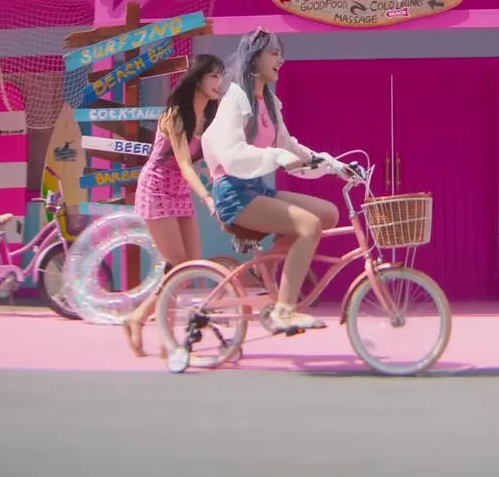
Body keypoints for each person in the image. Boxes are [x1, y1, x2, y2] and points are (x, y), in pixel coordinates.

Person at [202, 27, 339, 333]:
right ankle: (285, 310)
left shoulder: (269, 102)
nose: (281, 60)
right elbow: (231, 154)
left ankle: (267, 268)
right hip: (233, 193)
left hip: (256, 188)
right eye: (274, 54)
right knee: (309, 226)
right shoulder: (235, 98)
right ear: (254, 58)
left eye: (281, 54)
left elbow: (289, 146)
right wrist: (275, 157)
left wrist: (333, 164)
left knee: (327, 214)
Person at [121, 54, 224, 357]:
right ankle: (167, 340)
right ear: (198, 79)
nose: (219, 82)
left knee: (190, 267)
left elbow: (209, 161)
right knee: (180, 266)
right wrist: (207, 197)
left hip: (179, 191)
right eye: (213, 76)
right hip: (156, 189)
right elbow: (184, 163)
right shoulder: (175, 115)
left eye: (221, 76)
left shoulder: (211, 118)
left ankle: (138, 317)